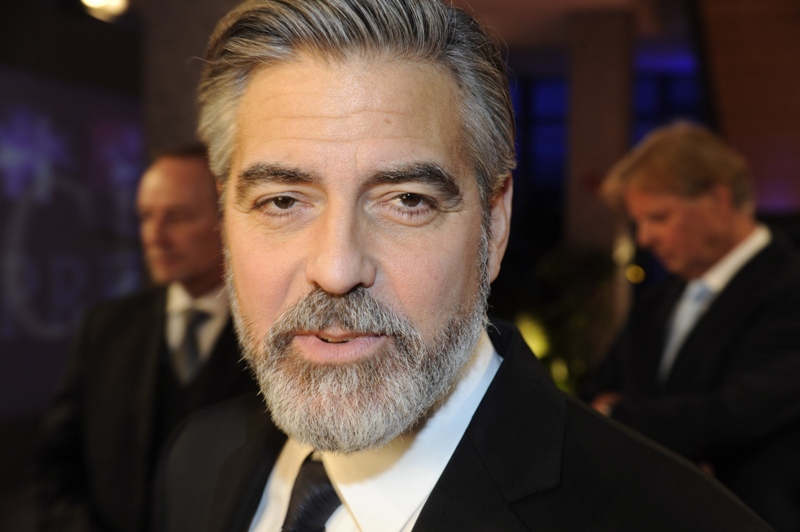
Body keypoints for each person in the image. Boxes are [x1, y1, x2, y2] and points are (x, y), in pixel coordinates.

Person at [155, 2, 772, 531]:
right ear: (225, 218)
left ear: (494, 225)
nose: (337, 269)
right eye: (282, 202)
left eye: (407, 201)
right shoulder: (197, 459)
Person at [582, 121, 800, 531]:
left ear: (718, 200)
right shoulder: (658, 299)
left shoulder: (789, 288)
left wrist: (615, 413)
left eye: (658, 217)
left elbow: (738, 413)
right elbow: (597, 385)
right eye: (638, 222)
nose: (644, 238)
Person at [34, 147, 259, 532]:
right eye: (146, 217)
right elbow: (56, 465)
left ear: (228, 219)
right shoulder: (105, 328)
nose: (154, 237)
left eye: (177, 217)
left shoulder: (272, 334)